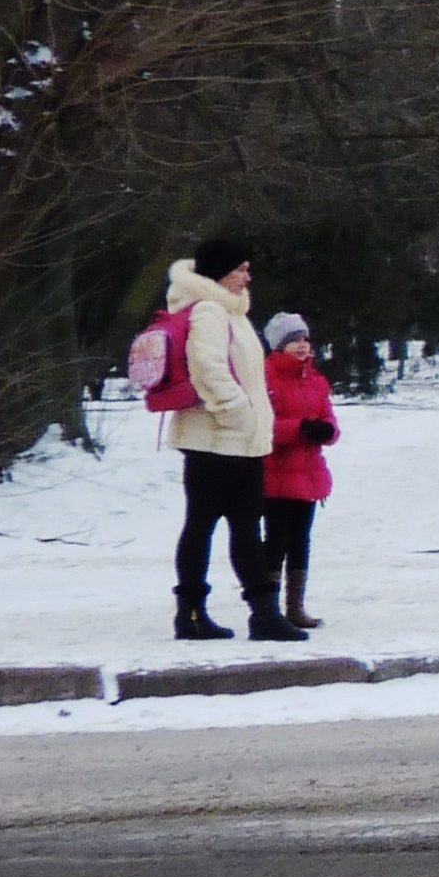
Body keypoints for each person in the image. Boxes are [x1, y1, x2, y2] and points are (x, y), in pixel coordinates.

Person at [161, 241, 296, 642]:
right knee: (201, 526)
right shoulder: (208, 311)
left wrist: (251, 424)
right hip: (213, 441)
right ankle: (191, 613)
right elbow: (208, 369)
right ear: (220, 273)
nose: (247, 275)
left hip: (242, 443)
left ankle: (264, 613)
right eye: (240, 268)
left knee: (247, 529)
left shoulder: (233, 312)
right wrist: (238, 413)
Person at [258, 313, 341, 631]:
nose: (302, 346)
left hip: (308, 476)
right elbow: (262, 427)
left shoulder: (316, 380)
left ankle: (295, 607)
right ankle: (268, 608)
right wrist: (299, 429)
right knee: (275, 542)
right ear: (279, 345)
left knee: (300, 542)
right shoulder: (265, 378)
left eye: (305, 339)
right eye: (294, 340)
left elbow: (331, 424)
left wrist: (325, 431)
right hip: (276, 475)